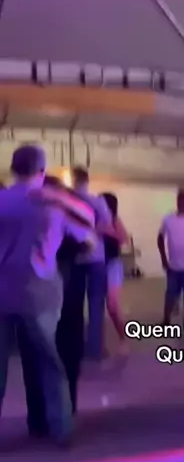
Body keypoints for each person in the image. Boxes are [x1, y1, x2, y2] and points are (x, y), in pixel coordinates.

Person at [0, 146, 94, 445]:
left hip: (2, 291)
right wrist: (60, 196)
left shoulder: (2, 200)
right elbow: (88, 223)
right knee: (49, 364)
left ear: (12, 169)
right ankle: (60, 428)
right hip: (39, 292)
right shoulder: (52, 204)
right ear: (42, 171)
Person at [43, 176, 96, 415]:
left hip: (40, 293)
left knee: (43, 353)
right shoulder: (68, 215)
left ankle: (44, 415)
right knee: (67, 351)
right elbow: (89, 243)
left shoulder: (34, 215)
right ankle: (66, 409)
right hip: (67, 289)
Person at [71, 167, 114, 360]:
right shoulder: (97, 201)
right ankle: (95, 349)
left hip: (75, 259)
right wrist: (92, 234)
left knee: (74, 304)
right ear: (87, 180)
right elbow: (107, 225)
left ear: (73, 180)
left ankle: (75, 346)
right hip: (96, 257)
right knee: (96, 304)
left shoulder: (68, 201)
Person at [157, 188, 184, 328]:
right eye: (180, 199)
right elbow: (160, 238)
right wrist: (164, 259)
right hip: (173, 266)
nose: (182, 202)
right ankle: (166, 319)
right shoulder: (168, 218)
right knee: (170, 294)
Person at [100, 192, 129, 353]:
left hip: (113, 264)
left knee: (112, 304)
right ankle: (98, 342)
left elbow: (124, 238)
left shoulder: (114, 220)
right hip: (98, 264)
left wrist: (107, 230)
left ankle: (123, 338)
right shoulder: (95, 218)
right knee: (97, 303)